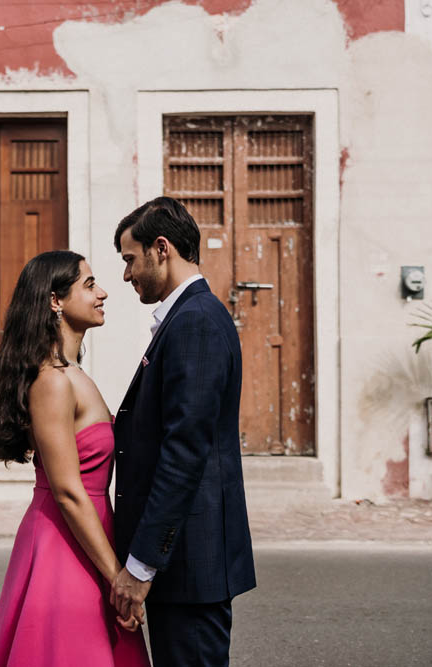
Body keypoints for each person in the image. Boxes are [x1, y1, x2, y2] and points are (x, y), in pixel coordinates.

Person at [0, 250, 150, 667]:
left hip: (89, 532)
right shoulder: (52, 382)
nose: (103, 292)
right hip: (65, 541)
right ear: (55, 300)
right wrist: (118, 579)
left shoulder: (72, 373)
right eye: (89, 285)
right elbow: (68, 491)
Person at [110, 197, 256, 666]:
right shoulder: (188, 317)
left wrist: (141, 564)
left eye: (130, 260)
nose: (126, 275)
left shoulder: (194, 322)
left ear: (161, 248)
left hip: (189, 565)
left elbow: (184, 452)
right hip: (185, 564)